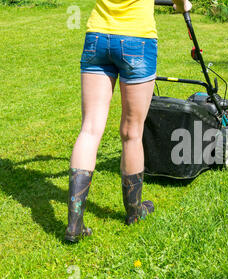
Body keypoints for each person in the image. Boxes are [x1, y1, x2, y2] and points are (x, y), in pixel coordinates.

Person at [65, 0, 192, 243]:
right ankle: (134, 213)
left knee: (89, 130)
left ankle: (74, 224)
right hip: (137, 38)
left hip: (98, 37)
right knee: (132, 133)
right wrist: (181, 4)